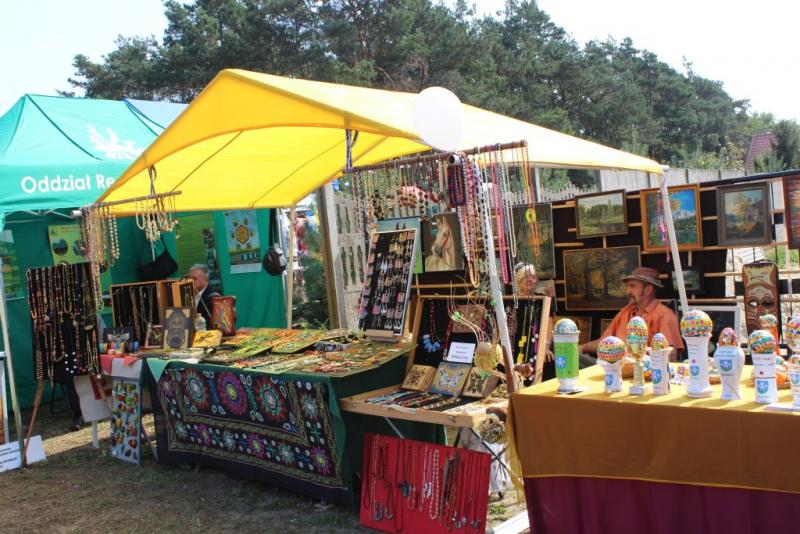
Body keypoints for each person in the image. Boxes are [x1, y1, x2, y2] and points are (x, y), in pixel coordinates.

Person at [579, 267, 683, 360]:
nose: (628, 291)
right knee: (575, 357)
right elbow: (604, 342)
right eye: (627, 286)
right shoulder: (625, 312)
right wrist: (582, 348)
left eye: (632, 286)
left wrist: (638, 357)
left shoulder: (665, 315)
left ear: (648, 290)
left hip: (644, 370)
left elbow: (670, 355)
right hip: (613, 368)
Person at [188, 264, 220, 328]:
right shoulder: (188, 295)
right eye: (189, 279)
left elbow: (213, 323)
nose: (190, 281)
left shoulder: (213, 297)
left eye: (194, 278)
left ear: (206, 279)